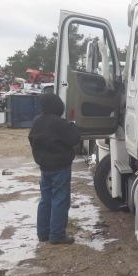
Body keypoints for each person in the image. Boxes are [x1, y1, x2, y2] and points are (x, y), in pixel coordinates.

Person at [28, 93, 81, 245]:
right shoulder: (60, 123)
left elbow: (32, 139)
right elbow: (74, 138)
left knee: (46, 199)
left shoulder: (37, 122)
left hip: (45, 167)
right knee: (60, 199)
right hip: (60, 167)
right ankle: (57, 235)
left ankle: (43, 233)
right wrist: (73, 126)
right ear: (58, 105)